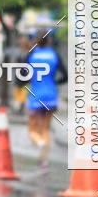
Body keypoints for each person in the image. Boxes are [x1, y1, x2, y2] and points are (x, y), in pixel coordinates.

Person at [25, 31, 66, 166]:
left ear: (36, 41)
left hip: (35, 97)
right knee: (45, 129)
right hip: (51, 96)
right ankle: (44, 160)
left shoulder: (31, 55)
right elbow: (65, 75)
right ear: (48, 41)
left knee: (32, 130)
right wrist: (54, 83)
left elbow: (23, 75)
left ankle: (40, 143)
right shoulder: (54, 55)